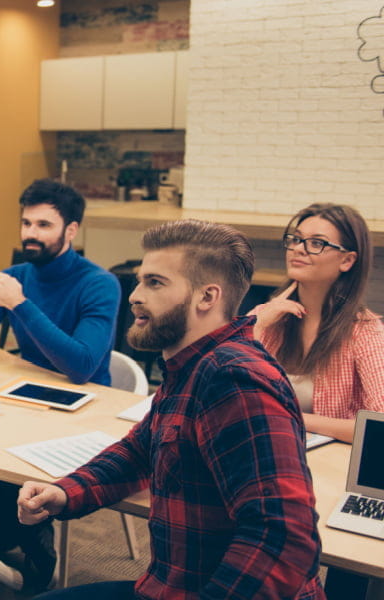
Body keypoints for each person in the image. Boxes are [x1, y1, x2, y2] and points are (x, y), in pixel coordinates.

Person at [17, 219, 324, 599]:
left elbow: (284, 539)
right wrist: (65, 493)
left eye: (155, 283)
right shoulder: (191, 364)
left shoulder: (233, 378)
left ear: (207, 297)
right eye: (141, 279)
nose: (134, 295)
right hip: (169, 586)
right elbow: (139, 450)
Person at [0, 179, 120, 592]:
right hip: (22, 397)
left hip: (83, 407)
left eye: (43, 224)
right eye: (26, 223)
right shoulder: (17, 275)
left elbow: (82, 366)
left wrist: (19, 304)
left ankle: (24, 526)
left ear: (70, 231)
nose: (30, 234)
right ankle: (23, 526)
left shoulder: (99, 283)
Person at [250, 203, 384, 443]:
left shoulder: (365, 332)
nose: (298, 250)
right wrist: (255, 327)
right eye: (296, 239)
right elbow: (215, 390)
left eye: (316, 243)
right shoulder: (266, 317)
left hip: (328, 464)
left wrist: (287, 416)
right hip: (265, 450)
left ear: (347, 261)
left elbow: (378, 424)